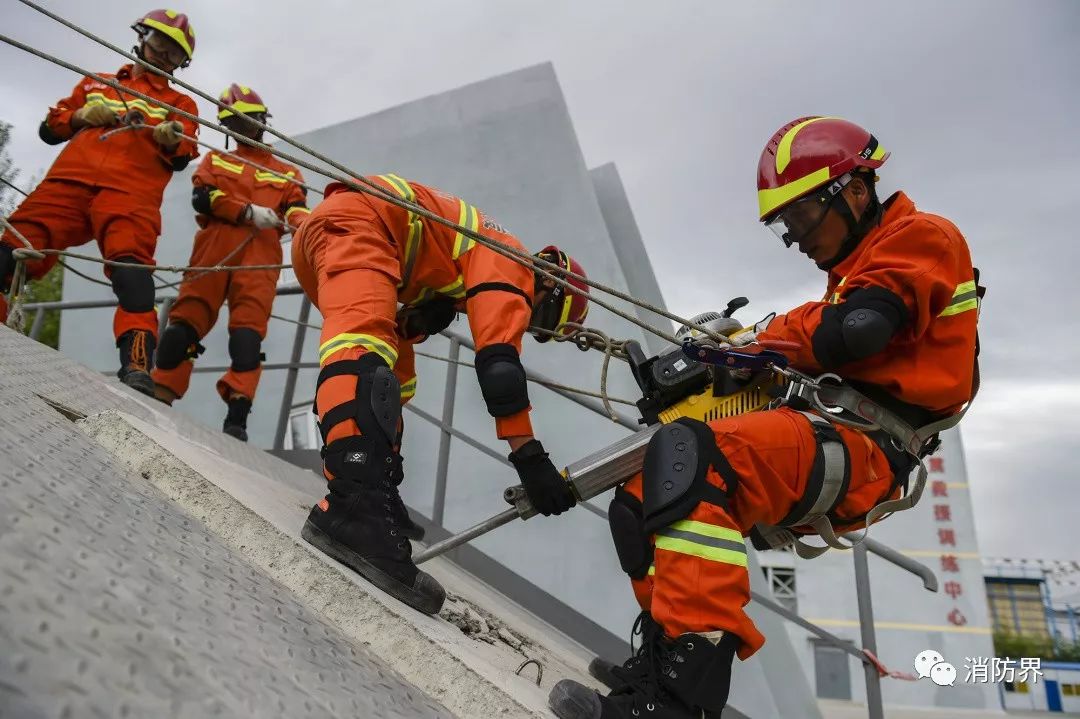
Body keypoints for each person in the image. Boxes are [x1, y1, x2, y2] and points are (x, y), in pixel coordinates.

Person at [549, 116, 980, 719]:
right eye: (787, 226)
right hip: (832, 429)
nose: (797, 237)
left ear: (855, 189)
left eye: (802, 217)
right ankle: (665, 659)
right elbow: (835, 326)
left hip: (867, 444)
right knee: (640, 495)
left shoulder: (921, 239)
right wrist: (750, 351)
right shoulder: (852, 274)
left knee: (695, 460)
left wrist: (762, 342)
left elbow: (859, 330)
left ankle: (678, 702)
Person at [290, 174, 589, 614]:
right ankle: (354, 506)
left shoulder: (475, 250)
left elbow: (427, 256)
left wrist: (423, 311)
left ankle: (375, 485)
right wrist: (531, 459)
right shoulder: (516, 265)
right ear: (550, 295)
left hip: (338, 232)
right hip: (361, 228)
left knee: (394, 376)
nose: (525, 321)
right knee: (363, 350)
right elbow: (500, 366)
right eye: (538, 322)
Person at [0, 9, 199, 395]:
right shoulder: (98, 83)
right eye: (159, 44)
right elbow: (48, 129)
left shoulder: (182, 104)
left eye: (173, 54)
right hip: (66, 185)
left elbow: (182, 154)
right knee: (7, 255)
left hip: (131, 197)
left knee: (132, 275)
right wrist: (80, 116)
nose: (162, 56)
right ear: (142, 37)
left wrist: (170, 135)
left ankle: (137, 367)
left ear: (181, 63)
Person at [151, 84, 311, 441]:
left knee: (246, 339)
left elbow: (298, 206)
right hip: (214, 249)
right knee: (183, 328)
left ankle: (236, 420)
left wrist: (305, 226)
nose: (243, 130)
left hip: (259, 258)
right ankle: (159, 395)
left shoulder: (287, 172)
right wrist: (247, 211)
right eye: (234, 125)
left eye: (248, 122)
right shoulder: (216, 160)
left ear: (261, 121)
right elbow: (202, 197)